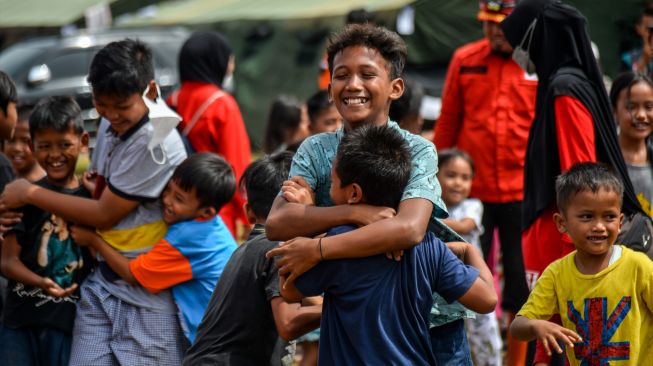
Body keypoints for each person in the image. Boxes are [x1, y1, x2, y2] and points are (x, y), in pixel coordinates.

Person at [266, 24, 478, 365]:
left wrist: (317, 247)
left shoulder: (417, 150)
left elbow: (409, 229)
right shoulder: (316, 149)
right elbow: (278, 221)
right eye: (341, 75)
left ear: (395, 88)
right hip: (359, 319)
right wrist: (355, 214)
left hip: (430, 318)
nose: (352, 86)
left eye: (367, 74)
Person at [0, 39, 188, 365]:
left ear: (151, 90)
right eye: (102, 104)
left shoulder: (158, 142)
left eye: (121, 106)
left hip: (145, 291)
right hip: (102, 284)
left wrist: (29, 193)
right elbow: (102, 187)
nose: (112, 115)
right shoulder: (113, 125)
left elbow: (104, 214)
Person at [501, 1, 646, 363]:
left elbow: (581, 180)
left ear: (539, 37)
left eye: (520, 42)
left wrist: (577, 245)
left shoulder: (565, 90)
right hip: (564, 238)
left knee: (567, 342)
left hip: (563, 244)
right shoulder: (567, 83)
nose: (519, 53)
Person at [280, 124, 497, 365]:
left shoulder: (335, 245)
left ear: (354, 193)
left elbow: (289, 289)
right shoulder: (430, 248)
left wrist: (309, 215)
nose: (329, 189)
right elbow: (487, 300)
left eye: (331, 182)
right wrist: (469, 250)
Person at [434, 2, 535, 361]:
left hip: (522, 193)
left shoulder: (535, 64)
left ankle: (518, 359)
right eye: (488, 25)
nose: (494, 32)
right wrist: (431, 180)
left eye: (503, 26)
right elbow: (447, 122)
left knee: (525, 280)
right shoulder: (464, 59)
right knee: (466, 277)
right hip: (471, 197)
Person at [70, 152, 238, 344]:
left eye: (179, 199)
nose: (166, 200)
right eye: (167, 190)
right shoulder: (209, 226)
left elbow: (133, 275)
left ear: (206, 212)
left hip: (214, 342)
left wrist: (93, 240)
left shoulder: (187, 239)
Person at [183, 152, 322, 365]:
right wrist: (341, 306)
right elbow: (288, 323)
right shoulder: (280, 248)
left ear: (249, 213)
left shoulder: (247, 250)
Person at [510, 162, 653, 365]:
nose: (599, 227)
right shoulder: (556, 274)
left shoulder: (639, 267)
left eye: (609, 217)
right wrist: (536, 326)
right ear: (562, 223)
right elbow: (518, 326)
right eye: (587, 217)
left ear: (620, 222)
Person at [0, 96, 93, 366]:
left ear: (83, 142)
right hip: (20, 324)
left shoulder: (91, 201)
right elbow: (7, 261)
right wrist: (40, 282)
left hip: (69, 325)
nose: (54, 155)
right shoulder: (23, 198)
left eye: (65, 145)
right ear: (32, 146)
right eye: (44, 146)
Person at [167, 31, 251, 239]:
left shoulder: (171, 101)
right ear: (216, 61)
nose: (231, 66)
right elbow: (236, 169)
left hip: (175, 210)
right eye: (229, 59)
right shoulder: (222, 105)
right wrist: (248, 214)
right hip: (215, 214)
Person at [437, 148, 503, 366]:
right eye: (451, 175)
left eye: (465, 178)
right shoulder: (434, 207)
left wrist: (421, 218)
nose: (458, 183)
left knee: (485, 331)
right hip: (443, 285)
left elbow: (465, 226)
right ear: (435, 176)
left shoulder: (473, 206)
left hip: (475, 281)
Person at [610, 72, 653, 216]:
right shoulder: (603, 161)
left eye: (648, 106)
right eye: (631, 107)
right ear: (615, 110)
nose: (641, 115)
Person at [4, 105, 45, 182]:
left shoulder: (51, 186)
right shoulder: (5, 181)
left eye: (26, 141)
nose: (17, 148)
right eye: (11, 140)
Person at [621, 2, 653, 76]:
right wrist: (644, 60)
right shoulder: (628, 59)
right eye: (649, 29)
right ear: (638, 29)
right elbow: (627, 85)